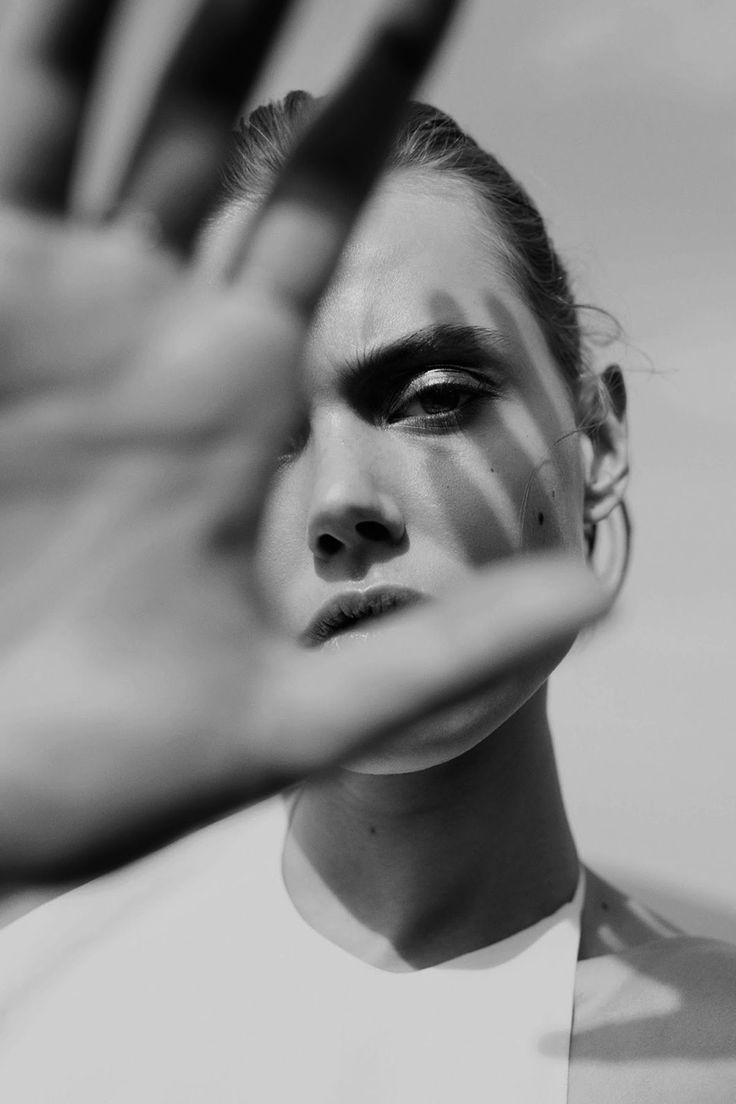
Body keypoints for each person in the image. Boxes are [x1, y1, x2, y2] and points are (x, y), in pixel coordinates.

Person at [0, 0, 734, 1101]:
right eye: (253, 446)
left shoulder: (701, 1056)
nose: (342, 500)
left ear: (599, 436)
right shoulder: (32, 1005)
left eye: (434, 399)